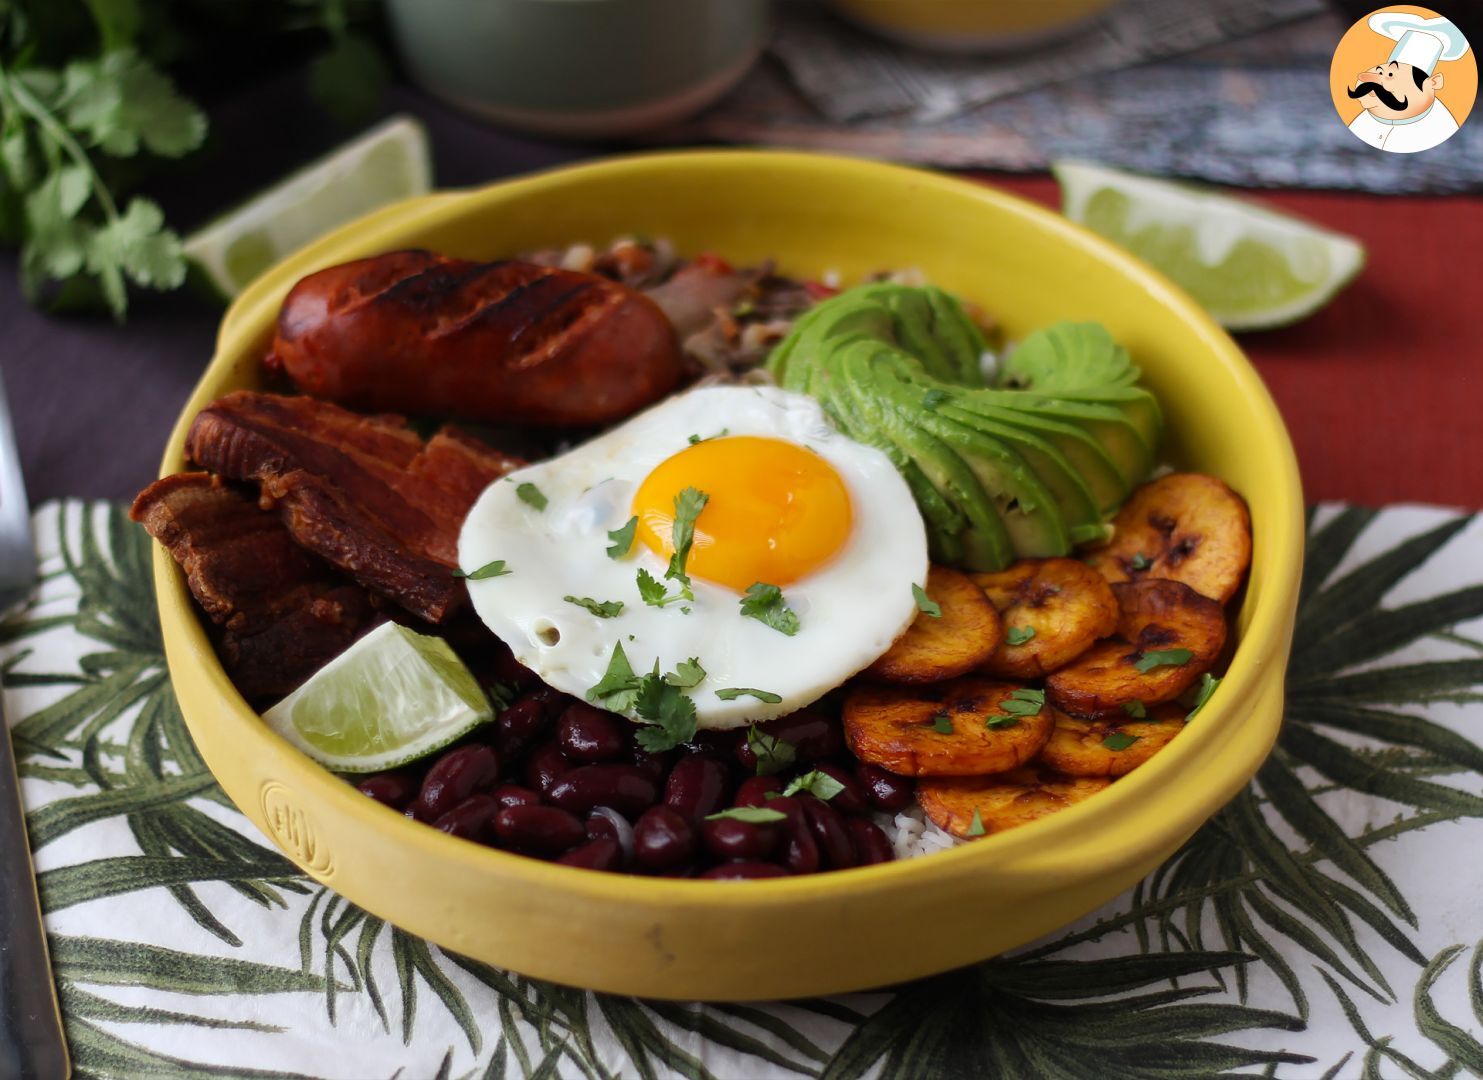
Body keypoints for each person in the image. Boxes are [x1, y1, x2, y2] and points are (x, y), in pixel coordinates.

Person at [1347, 12, 1470, 153]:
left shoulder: (1441, 129)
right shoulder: (1363, 118)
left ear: (1433, 83)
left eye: (1391, 75)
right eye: (1380, 72)